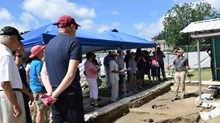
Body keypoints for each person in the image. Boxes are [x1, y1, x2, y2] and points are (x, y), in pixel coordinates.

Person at [41, 15, 84, 123]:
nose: (76, 31)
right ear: (72, 26)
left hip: (55, 95)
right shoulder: (74, 43)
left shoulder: (49, 44)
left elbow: (43, 73)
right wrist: (54, 95)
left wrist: (51, 93)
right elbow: (70, 74)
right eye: (76, 28)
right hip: (70, 95)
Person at [0, 26, 26, 123]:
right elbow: (5, 83)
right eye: (18, 40)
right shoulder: (5, 55)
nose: (18, 44)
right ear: (12, 39)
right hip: (10, 94)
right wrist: (15, 105)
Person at [15, 42, 34, 123]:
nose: (24, 50)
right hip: (21, 95)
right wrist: (29, 94)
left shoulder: (20, 63)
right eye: (22, 48)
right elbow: (18, 82)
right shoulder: (14, 62)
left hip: (24, 95)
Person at [29, 45, 48, 123]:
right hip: (39, 89)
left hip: (34, 88)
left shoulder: (33, 62)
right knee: (41, 110)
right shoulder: (39, 63)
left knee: (39, 110)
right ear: (38, 53)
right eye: (42, 50)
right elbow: (41, 76)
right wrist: (47, 86)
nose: (43, 52)